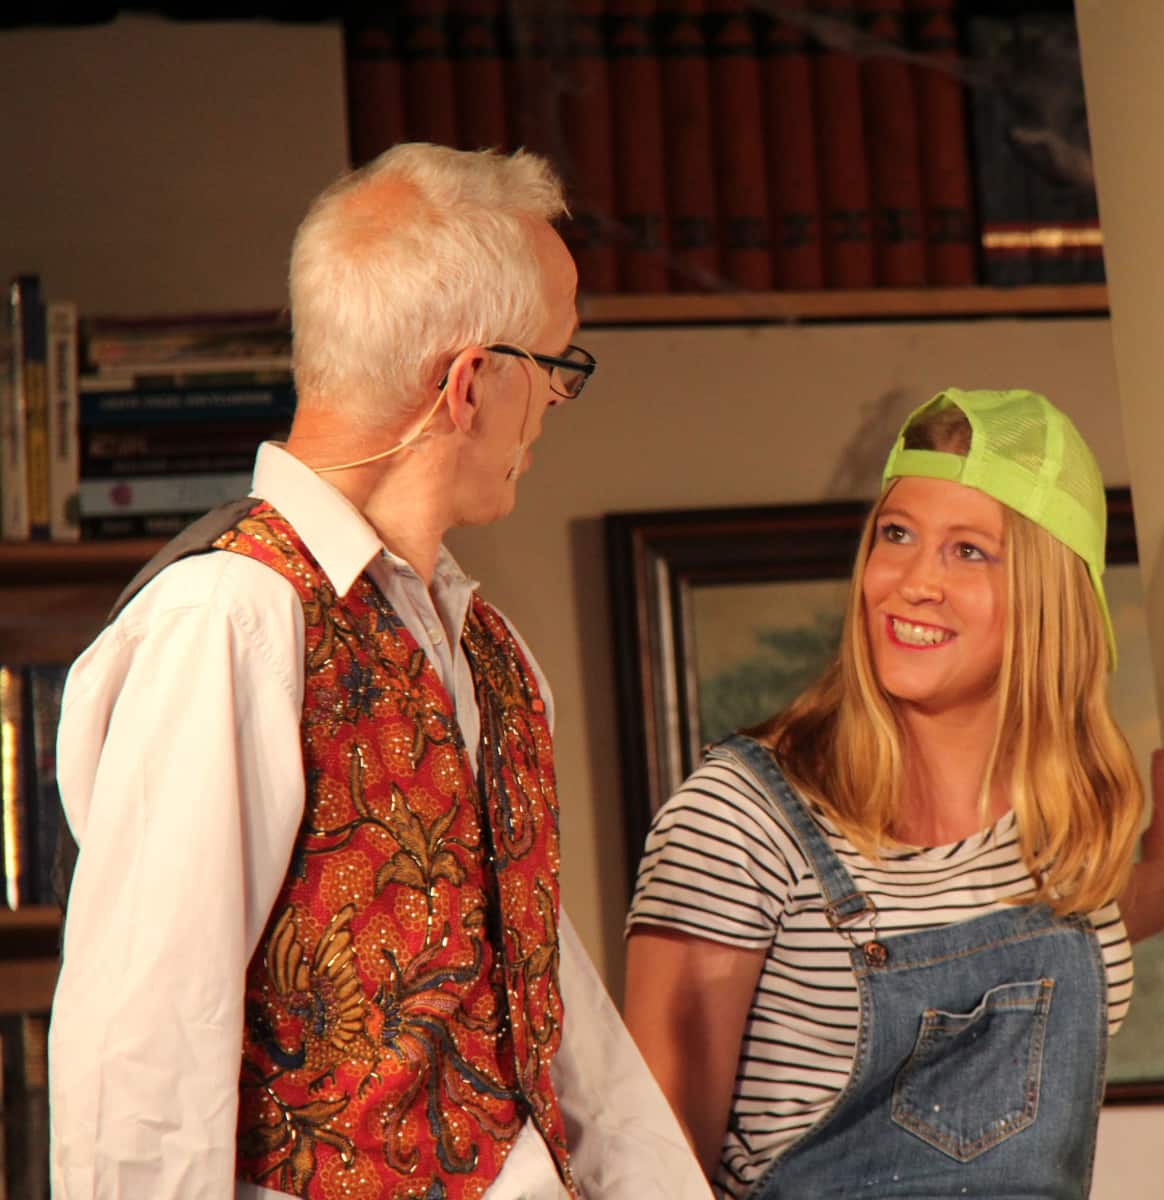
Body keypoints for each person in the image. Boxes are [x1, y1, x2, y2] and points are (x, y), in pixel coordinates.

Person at [49, 144, 708, 1200]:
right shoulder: (230, 623)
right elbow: (144, 1061)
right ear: (471, 383)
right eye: (556, 365)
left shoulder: (490, 650)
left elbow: (548, 1006)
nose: (555, 403)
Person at [623, 388, 1164, 1198]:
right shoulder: (738, 818)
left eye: (969, 551)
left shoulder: (1066, 833)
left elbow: (1060, 928)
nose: (915, 582)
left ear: (1049, 595)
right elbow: (649, 1171)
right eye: (897, 535)